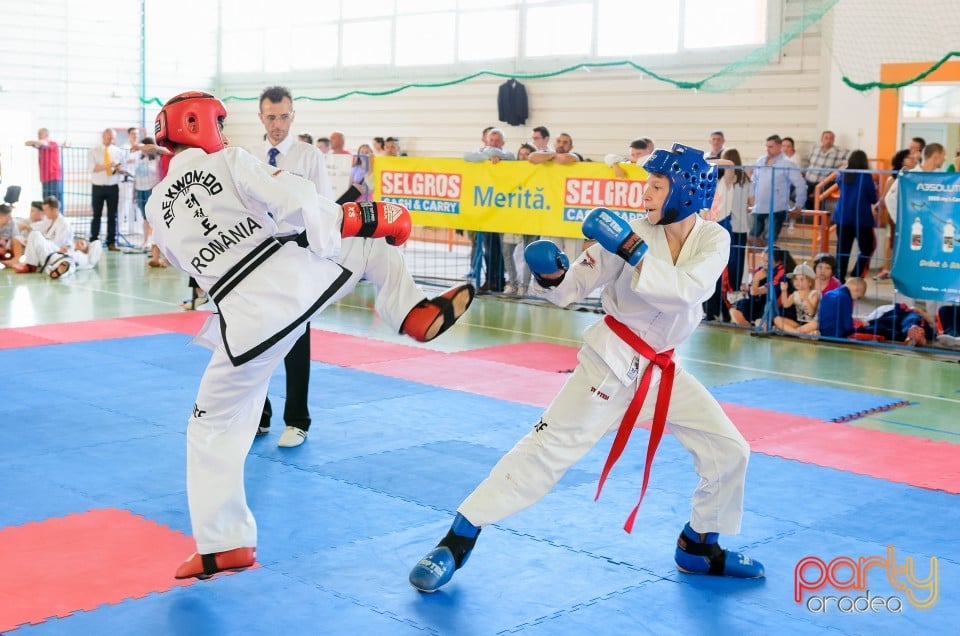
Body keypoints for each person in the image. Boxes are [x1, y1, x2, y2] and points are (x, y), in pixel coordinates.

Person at [408, 143, 764, 594]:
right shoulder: (628, 232)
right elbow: (570, 289)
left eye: (656, 186)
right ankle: (457, 540)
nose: (646, 194)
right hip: (609, 365)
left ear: (687, 192)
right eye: (647, 185)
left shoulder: (712, 239)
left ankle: (698, 546)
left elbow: (686, 291)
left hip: (662, 370)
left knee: (730, 448)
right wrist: (553, 276)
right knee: (546, 451)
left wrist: (632, 249)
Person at [146, 91, 419, 581]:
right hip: (290, 285)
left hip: (241, 326)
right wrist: (364, 217)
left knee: (210, 425)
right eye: (220, 124)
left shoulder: (154, 206)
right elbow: (294, 201)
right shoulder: (230, 161)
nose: (225, 134)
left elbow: (183, 261)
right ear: (199, 124)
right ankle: (410, 311)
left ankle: (223, 544)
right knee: (365, 248)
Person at [253, 85, 474, 447]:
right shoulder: (248, 157)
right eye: (271, 117)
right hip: (263, 257)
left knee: (299, 335)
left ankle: (298, 420)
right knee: (256, 340)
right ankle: (258, 417)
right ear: (260, 117)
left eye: (283, 117)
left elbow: (322, 206)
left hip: (305, 248)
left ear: (293, 116)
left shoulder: (309, 155)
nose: (277, 124)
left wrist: (333, 233)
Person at [750, 135, 806, 249]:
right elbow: (753, 181)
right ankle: (762, 264)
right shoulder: (760, 161)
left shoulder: (787, 163)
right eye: (766, 146)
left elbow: (800, 184)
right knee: (751, 239)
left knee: (769, 241)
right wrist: (751, 200)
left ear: (779, 146)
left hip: (776, 209)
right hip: (758, 207)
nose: (767, 149)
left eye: (771, 146)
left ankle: (770, 262)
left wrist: (799, 205)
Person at [832, 150, 877, 281]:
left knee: (842, 250)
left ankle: (839, 278)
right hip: (861, 219)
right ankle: (856, 275)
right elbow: (873, 198)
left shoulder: (842, 174)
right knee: (867, 248)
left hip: (842, 217)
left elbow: (839, 185)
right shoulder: (866, 176)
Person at [874, 149, 918, 280]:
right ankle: (886, 269)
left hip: (911, 216)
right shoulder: (893, 177)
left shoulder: (914, 175)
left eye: (913, 158)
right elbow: (885, 199)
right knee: (892, 242)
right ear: (901, 160)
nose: (913, 160)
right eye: (909, 158)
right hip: (896, 215)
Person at [12, 196, 73, 273]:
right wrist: (32, 240)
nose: (44, 212)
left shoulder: (64, 224)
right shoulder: (48, 220)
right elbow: (39, 232)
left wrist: (39, 241)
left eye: (46, 210)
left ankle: (30, 265)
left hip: (56, 250)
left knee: (35, 234)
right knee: (32, 235)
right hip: (46, 246)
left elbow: (58, 244)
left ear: (55, 210)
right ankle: (29, 264)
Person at [88, 128, 124, 251]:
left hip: (113, 186)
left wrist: (119, 169)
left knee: (112, 216)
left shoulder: (118, 152)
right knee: (96, 215)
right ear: (103, 136)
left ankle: (111, 242)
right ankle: (94, 241)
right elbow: (94, 168)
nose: (111, 140)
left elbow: (121, 166)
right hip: (97, 186)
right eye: (109, 137)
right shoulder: (94, 151)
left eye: (113, 138)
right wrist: (108, 165)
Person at [804, 130, 848, 210]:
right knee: (797, 194)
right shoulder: (814, 148)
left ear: (834, 140)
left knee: (816, 198)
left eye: (831, 138)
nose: (828, 140)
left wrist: (835, 172)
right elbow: (808, 160)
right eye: (826, 138)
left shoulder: (839, 152)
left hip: (824, 181)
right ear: (821, 139)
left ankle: (818, 218)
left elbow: (847, 164)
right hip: (809, 179)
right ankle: (811, 213)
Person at [773, 262, 820, 334]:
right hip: (798, 323)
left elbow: (811, 313)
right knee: (777, 319)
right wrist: (784, 291)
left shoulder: (814, 294)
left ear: (810, 282)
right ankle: (800, 333)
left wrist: (806, 299)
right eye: (795, 279)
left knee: (816, 324)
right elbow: (786, 304)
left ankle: (792, 331)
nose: (797, 282)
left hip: (810, 323)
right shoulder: (795, 294)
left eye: (801, 279)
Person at [24, 128, 63, 204]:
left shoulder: (52, 143)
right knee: (46, 199)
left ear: (47, 135)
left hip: (54, 176)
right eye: (38, 134)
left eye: (40, 134)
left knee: (54, 200)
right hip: (45, 177)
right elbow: (27, 143)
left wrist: (35, 142)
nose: (38, 136)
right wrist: (34, 143)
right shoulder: (40, 146)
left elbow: (44, 143)